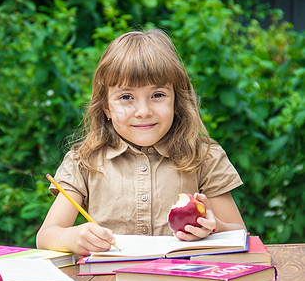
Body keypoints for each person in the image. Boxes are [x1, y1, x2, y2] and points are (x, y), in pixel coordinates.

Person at [36, 29, 246, 256]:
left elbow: (239, 234)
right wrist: (72, 237)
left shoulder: (204, 158)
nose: (143, 111)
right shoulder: (84, 161)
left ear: (176, 101)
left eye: (157, 95)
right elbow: (46, 236)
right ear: (106, 106)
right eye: (126, 97)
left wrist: (214, 227)